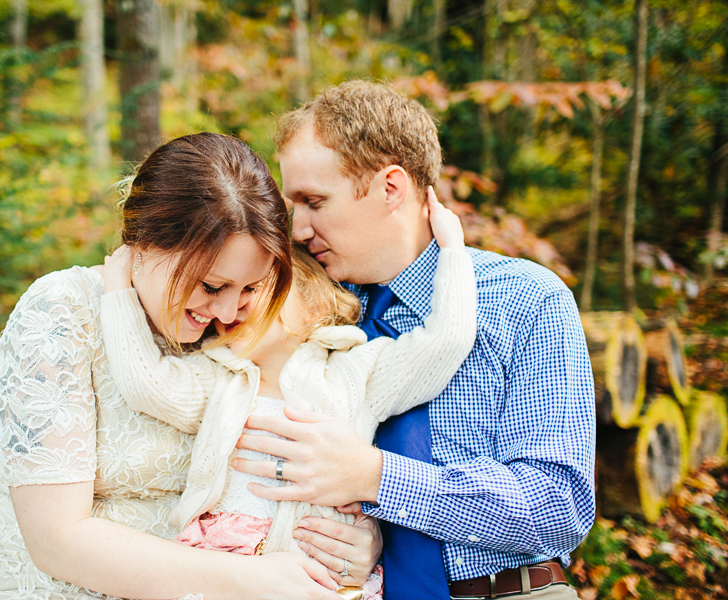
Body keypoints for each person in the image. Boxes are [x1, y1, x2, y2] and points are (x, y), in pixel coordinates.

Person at [0, 132, 381, 600]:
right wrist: (251, 579)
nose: (230, 311)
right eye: (211, 285)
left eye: (250, 287)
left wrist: (363, 539)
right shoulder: (66, 309)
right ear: (145, 243)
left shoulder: (240, 340)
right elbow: (57, 540)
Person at [230, 80, 597, 600]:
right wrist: (364, 539)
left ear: (391, 188)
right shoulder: (293, 309)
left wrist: (377, 478)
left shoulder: (526, 299)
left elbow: (561, 505)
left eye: (314, 202)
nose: (300, 228)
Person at [97, 188, 476, 600]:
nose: (231, 306)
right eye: (223, 289)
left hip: (320, 574)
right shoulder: (220, 377)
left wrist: (453, 250)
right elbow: (146, 385)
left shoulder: (356, 371)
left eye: (252, 290)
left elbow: (444, 344)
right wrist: (117, 292)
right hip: (228, 562)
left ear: (312, 305)